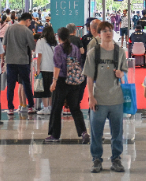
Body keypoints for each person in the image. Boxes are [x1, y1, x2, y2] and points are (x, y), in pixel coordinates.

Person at [84, 21, 128, 173]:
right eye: (104, 31)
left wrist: (121, 73)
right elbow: (89, 77)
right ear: (99, 34)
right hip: (99, 99)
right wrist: (91, 97)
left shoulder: (120, 52)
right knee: (96, 132)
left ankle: (116, 159)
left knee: (117, 132)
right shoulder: (93, 53)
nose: (108, 33)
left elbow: (124, 71)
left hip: (116, 99)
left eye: (110, 30)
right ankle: (96, 159)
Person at [46, 27, 89, 143]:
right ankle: (83, 132)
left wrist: (54, 81)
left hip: (61, 81)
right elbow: (79, 61)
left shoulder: (58, 49)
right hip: (74, 80)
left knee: (56, 108)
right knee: (75, 108)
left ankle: (55, 135)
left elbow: (57, 66)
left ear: (58, 37)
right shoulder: (75, 48)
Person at [3, 12, 37, 115]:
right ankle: (30, 106)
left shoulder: (9, 28)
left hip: (10, 60)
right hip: (23, 61)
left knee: (10, 85)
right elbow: (33, 47)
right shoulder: (27, 31)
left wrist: (3, 59)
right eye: (30, 22)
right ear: (27, 20)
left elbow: (4, 45)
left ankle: (10, 108)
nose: (29, 24)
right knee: (26, 83)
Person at [35, 25, 57, 115]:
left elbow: (39, 55)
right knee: (52, 89)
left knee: (43, 89)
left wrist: (38, 68)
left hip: (44, 68)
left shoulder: (41, 41)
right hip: (53, 68)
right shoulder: (55, 42)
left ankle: (45, 107)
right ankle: (51, 107)